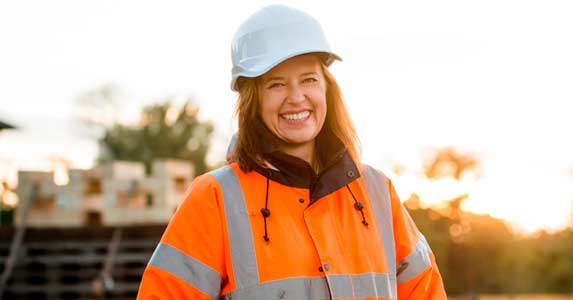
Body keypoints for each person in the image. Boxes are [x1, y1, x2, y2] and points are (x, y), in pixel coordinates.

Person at [137, 5, 447, 299]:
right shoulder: (215, 198)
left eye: (308, 79)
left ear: (327, 88)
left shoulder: (378, 191)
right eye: (276, 84)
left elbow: (425, 290)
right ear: (252, 99)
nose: (296, 97)